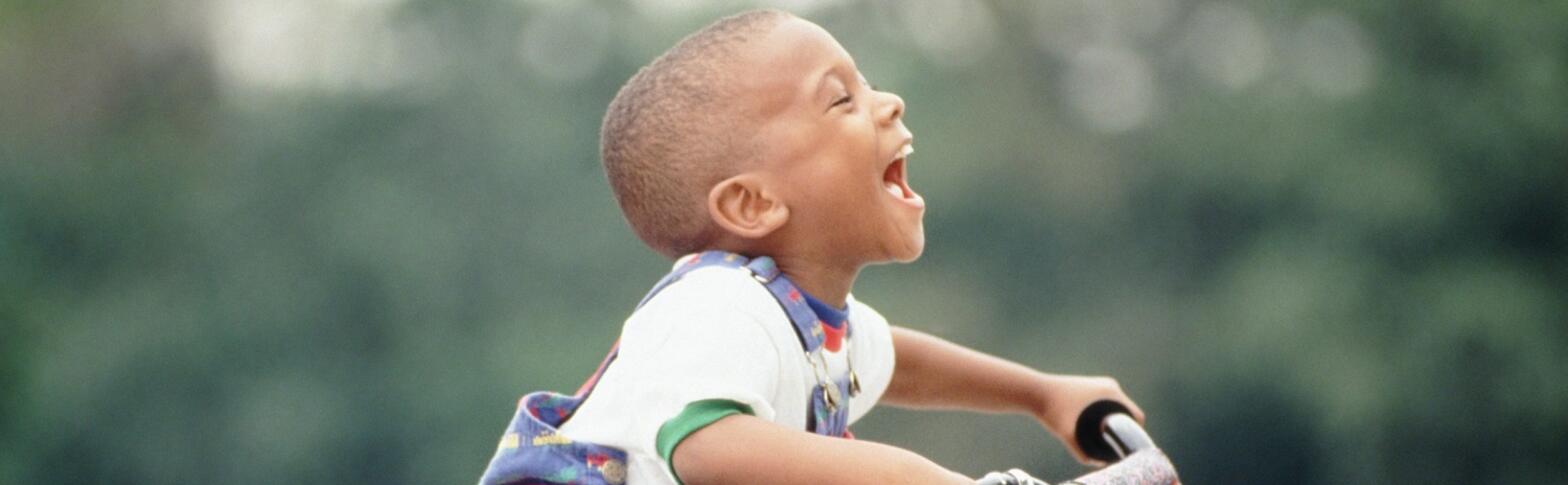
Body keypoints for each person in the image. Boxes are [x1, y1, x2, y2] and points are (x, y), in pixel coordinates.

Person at [482, 9, 1146, 485]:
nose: (888, 102)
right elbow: (709, 449)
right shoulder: (714, 307)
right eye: (841, 100)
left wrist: (1043, 393)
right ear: (752, 204)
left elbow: (895, 361)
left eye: (867, 83)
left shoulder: (802, 319)